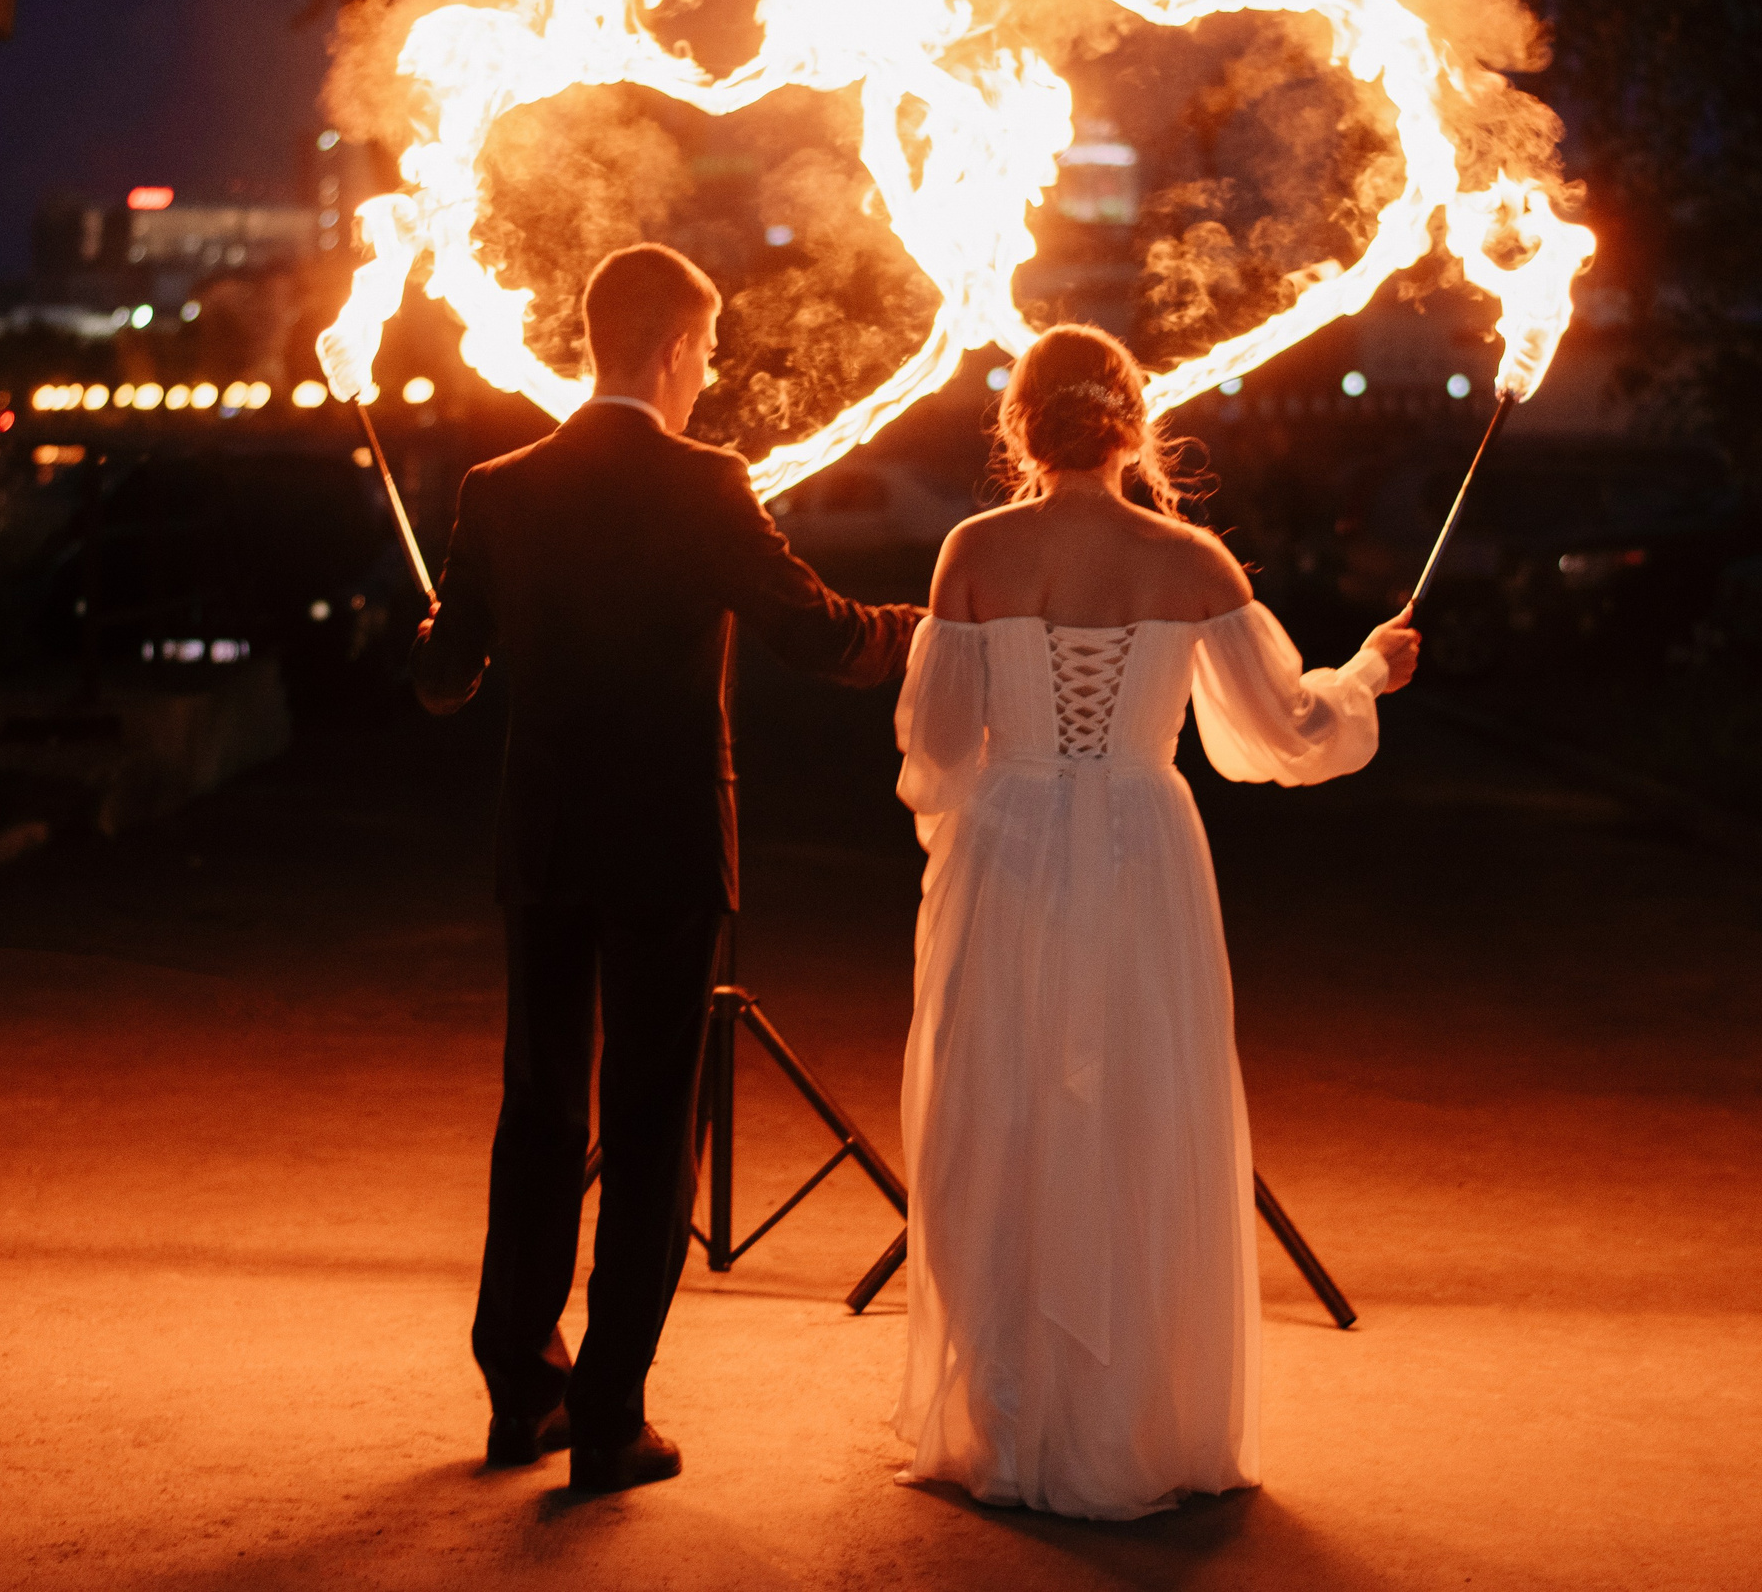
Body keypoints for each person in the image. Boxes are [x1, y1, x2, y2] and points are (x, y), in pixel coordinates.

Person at [889, 324, 1420, 1519]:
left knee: (1001, 1106)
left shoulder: (975, 550)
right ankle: (1124, 1420)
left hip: (1006, 845)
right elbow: (1285, 734)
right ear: (1134, 424)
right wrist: (1364, 673)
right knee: (1138, 1108)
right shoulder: (1190, 561)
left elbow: (936, 753)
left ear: (1019, 425)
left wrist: (1002, 797)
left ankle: (1012, 1423)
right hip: (1143, 842)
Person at [411, 243, 917, 1493]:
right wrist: (930, 629)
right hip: (668, 845)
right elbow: (818, 636)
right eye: (710, 352)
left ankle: (520, 1392)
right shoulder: (707, 484)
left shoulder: (497, 488)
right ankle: (608, 1417)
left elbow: (442, 683)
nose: (709, 373)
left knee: (539, 1110)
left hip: (545, 840)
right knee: (649, 1127)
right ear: (680, 347)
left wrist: (434, 637)